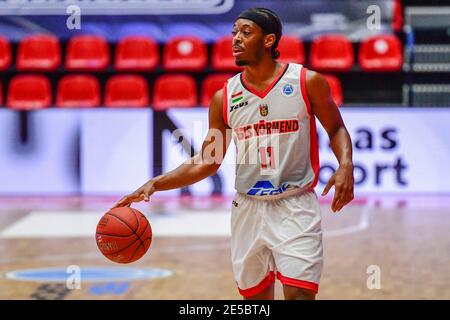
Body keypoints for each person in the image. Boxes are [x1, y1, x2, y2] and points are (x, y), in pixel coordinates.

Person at [113, 7, 354, 300]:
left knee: (300, 297)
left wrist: (345, 164)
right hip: (248, 210)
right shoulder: (224, 98)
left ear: (269, 40)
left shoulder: (307, 82)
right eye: (234, 33)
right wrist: (156, 183)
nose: (236, 39)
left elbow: (337, 129)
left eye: (246, 32)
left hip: (296, 207)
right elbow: (207, 161)